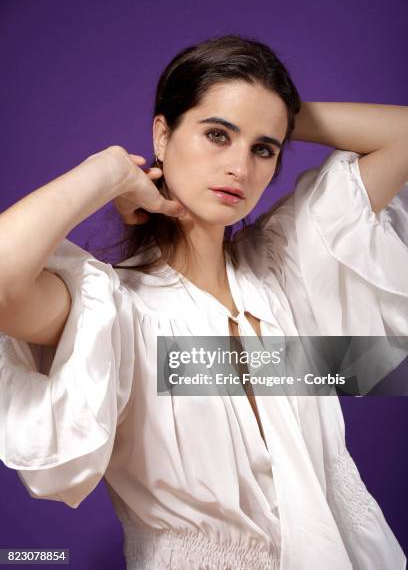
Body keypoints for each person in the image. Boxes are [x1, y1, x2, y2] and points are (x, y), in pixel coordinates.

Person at [0, 34, 407, 570]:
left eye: (264, 148)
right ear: (162, 135)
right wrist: (108, 172)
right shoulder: (113, 308)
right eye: (218, 134)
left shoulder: (282, 272)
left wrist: (279, 113)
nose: (241, 166)